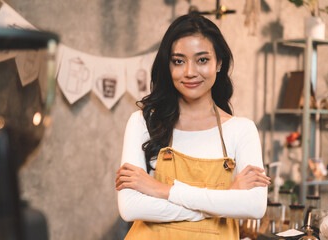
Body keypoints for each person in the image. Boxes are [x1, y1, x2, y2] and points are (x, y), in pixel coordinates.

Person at [116, 12, 270, 239]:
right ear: (168, 66)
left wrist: (163, 190)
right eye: (179, 61)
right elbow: (131, 208)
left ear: (219, 63)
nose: (189, 72)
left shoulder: (241, 130)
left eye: (202, 60)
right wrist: (225, 198)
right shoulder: (143, 122)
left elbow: (254, 207)